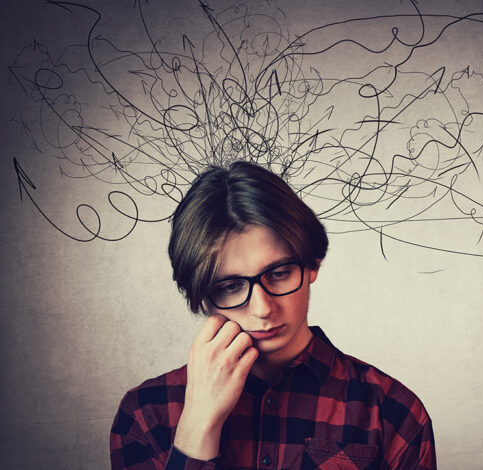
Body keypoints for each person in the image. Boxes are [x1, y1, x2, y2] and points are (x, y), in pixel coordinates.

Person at [109, 161, 436, 469]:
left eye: (278, 273)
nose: (263, 308)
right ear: (202, 297)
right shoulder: (145, 414)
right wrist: (198, 424)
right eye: (231, 285)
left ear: (312, 265)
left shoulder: (394, 412)